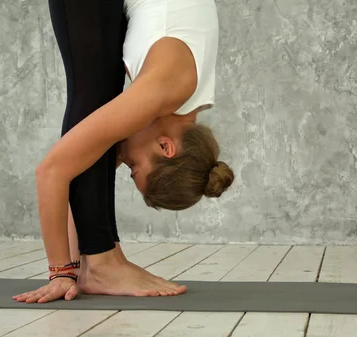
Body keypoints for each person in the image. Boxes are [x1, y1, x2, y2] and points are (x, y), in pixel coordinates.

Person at [12, 0, 234, 304]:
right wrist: (61, 272)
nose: (123, 161)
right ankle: (103, 264)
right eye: (134, 167)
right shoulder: (161, 91)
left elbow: (81, 164)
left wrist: (78, 264)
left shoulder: (189, 99)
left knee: (94, 113)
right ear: (165, 147)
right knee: (91, 100)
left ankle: (99, 262)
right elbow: (52, 171)